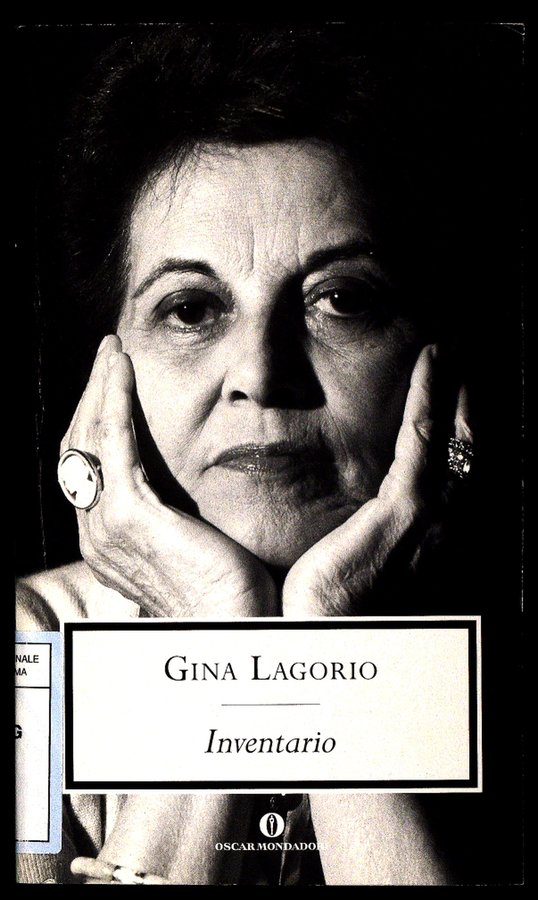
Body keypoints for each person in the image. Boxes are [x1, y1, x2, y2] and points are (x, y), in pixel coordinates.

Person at [15, 24, 519, 885]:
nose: (260, 374)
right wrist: (215, 623)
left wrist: (332, 632)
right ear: (109, 376)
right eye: (190, 309)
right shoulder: (32, 655)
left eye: (340, 300)